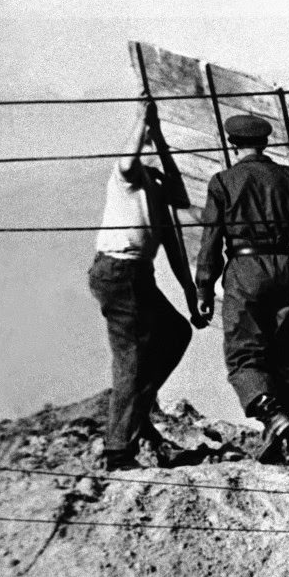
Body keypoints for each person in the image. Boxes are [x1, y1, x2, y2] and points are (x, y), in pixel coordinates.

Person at [195, 115, 289, 464]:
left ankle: (273, 418)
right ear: (265, 143)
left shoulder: (223, 182)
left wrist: (203, 290)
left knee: (244, 354)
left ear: (233, 144)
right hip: (288, 270)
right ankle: (279, 435)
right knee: (281, 353)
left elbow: (211, 241)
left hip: (246, 272)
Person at [88, 95, 206, 471]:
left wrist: (191, 295)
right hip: (119, 272)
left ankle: (136, 415)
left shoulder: (157, 196)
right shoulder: (128, 181)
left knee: (175, 332)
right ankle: (118, 448)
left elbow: (174, 247)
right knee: (132, 358)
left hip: (137, 275)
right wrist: (143, 119)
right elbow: (127, 161)